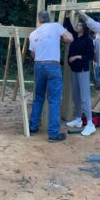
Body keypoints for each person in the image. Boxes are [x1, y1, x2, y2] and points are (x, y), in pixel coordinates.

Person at [29, 11, 73, 142]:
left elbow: (32, 54)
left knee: (38, 98)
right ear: (49, 19)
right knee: (54, 100)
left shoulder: (33, 34)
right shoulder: (55, 26)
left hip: (38, 65)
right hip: (53, 65)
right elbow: (70, 38)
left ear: (39, 20)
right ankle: (53, 134)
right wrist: (62, 37)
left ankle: (33, 127)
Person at [63, 13, 95, 136]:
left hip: (83, 70)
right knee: (76, 95)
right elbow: (69, 27)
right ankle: (78, 119)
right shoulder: (75, 37)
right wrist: (66, 17)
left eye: (80, 25)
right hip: (74, 70)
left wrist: (76, 56)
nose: (78, 25)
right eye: (77, 24)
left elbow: (90, 56)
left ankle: (90, 123)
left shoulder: (88, 41)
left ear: (84, 28)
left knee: (85, 97)